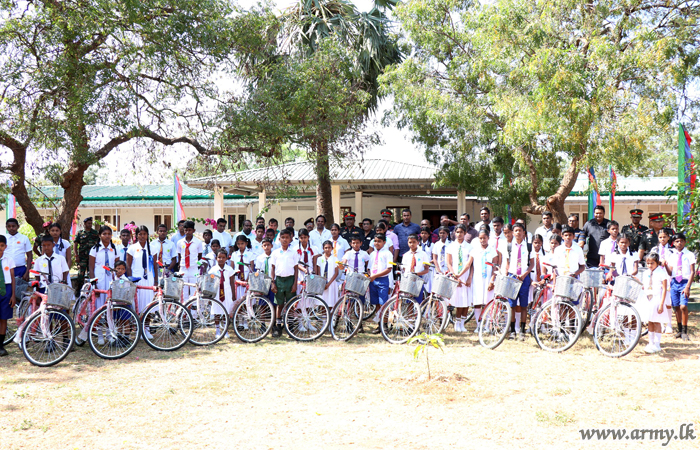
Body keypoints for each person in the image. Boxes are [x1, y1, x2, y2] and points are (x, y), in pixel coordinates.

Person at [504, 223, 535, 340]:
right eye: (515, 230)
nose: (518, 233)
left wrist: (524, 274)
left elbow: (532, 264)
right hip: (512, 277)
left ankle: (522, 330)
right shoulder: (509, 246)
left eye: (520, 230)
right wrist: (508, 274)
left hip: (524, 277)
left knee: (523, 305)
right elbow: (507, 263)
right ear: (512, 232)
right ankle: (512, 330)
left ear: (524, 233)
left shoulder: (528, 247)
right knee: (512, 305)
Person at [270, 229, 300, 338]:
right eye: (283, 238)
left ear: (291, 239)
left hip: (290, 280)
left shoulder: (293, 252)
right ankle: (278, 326)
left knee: (291, 304)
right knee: (279, 304)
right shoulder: (275, 252)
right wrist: (273, 282)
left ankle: (290, 326)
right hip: (279, 280)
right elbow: (272, 268)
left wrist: (295, 283)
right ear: (279, 239)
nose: (285, 240)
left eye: (287, 237)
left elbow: (296, 269)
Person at [666, 233, 695, 341]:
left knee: (683, 306)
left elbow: (692, 272)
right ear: (673, 243)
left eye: (681, 241)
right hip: (674, 282)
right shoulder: (672, 255)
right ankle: (679, 330)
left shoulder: (689, 254)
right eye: (677, 241)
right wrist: (665, 265)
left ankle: (685, 330)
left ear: (685, 242)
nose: (679, 243)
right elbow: (670, 272)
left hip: (684, 282)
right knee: (676, 307)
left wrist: (688, 286)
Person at [467, 228, 498, 331]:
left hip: (488, 280)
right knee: (477, 302)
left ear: (488, 238)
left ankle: (487, 325)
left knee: (488, 303)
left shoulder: (492, 251)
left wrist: (492, 280)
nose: (482, 240)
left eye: (484, 238)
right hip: (477, 280)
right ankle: (479, 325)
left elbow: (495, 268)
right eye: (480, 238)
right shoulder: (474, 251)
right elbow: (469, 265)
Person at [126, 226, 156, 331]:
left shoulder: (152, 247)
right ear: (136, 235)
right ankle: (139, 328)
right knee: (138, 304)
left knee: (148, 304)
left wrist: (156, 280)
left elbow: (155, 265)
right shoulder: (132, 248)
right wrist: (131, 279)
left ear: (147, 235)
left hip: (149, 280)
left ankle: (146, 328)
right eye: (140, 234)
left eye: (144, 234)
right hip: (137, 279)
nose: (142, 236)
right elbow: (128, 265)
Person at [639, 252, 670, 353]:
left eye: (652, 263)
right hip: (648, 299)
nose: (649, 265)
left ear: (657, 262)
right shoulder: (646, 272)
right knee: (650, 321)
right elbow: (644, 285)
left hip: (657, 299)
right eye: (648, 263)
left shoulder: (661, 273)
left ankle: (657, 344)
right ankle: (650, 342)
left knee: (657, 321)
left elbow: (664, 289)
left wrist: (661, 304)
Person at [446, 224, 473, 332]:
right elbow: (449, 263)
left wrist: (466, 277)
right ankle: (457, 323)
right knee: (458, 300)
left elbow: (469, 264)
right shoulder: (451, 247)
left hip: (465, 276)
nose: (459, 234)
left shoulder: (469, 247)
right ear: (454, 233)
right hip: (455, 276)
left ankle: (462, 323)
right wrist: (454, 276)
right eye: (457, 232)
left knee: (466, 301)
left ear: (465, 233)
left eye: (461, 232)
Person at [88, 225, 117, 311]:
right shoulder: (94, 249)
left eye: (109, 234)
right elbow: (91, 267)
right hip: (99, 279)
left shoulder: (115, 249)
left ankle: (109, 322)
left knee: (110, 301)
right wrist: (94, 283)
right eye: (104, 234)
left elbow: (117, 266)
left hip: (111, 279)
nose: (107, 236)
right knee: (99, 303)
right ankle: (98, 322)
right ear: (100, 235)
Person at [210, 250, 235, 339]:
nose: (221, 259)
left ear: (227, 258)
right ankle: (217, 330)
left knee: (226, 312)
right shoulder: (213, 270)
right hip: (216, 293)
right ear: (216, 258)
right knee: (217, 311)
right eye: (219, 257)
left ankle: (225, 330)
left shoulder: (229, 269)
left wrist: (233, 294)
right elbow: (210, 282)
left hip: (227, 293)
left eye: (223, 257)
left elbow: (232, 282)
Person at [177, 221, 203, 300]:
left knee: (194, 291)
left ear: (193, 230)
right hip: (183, 268)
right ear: (183, 230)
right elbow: (179, 255)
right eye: (186, 230)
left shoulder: (198, 242)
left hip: (193, 268)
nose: (188, 232)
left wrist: (193, 263)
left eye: (189, 230)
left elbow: (199, 255)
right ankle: (184, 310)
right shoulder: (180, 242)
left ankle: (193, 312)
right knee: (183, 290)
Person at [400, 234, 430, 304]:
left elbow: (426, 269)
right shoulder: (406, 255)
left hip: (418, 278)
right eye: (410, 242)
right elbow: (403, 268)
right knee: (408, 300)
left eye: (414, 242)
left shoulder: (423, 254)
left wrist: (416, 274)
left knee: (418, 300)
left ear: (418, 242)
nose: (412, 244)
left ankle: (417, 314)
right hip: (408, 279)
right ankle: (410, 315)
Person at [0, 235, 17, 356]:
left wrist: (13, 295)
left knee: (3, 318)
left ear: (5, 246)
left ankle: (0, 346)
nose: (0, 248)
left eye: (2, 246)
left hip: (6, 290)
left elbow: (12, 278)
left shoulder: (9, 259)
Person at [74, 217, 100, 294]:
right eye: (88, 223)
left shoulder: (95, 233)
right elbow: (75, 244)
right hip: (82, 257)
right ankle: (78, 290)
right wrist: (76, 255)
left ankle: (90, 290)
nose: (90, 225)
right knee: (80, 275)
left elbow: (98, 244)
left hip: (92, 257)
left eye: (91, 223)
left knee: (91, 274)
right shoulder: (80, 233)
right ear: (85, 224)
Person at [4, 218, 32, 282]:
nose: (11, 228)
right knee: (7, 290)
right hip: (6, 268)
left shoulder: (24, 238)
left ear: (18, 226)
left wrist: (27, 272)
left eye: (13, 226)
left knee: (21, 290)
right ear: (6, 227)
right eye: (9, 226)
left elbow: (29, 255)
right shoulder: (3, 238)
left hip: (21, 269)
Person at [294, 229, 320, 295]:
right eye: (301, 238)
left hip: (310, 273)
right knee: (300, 294)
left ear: (308, 237)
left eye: (305, 237)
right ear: (299, 238)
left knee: (310, 294)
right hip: (300, 274)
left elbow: (314, 263)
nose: (303, 240)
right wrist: (304, 269)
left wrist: (315, 275)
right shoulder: (295, 249)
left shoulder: (314, 248)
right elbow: (296, 263)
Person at [316, 241, 340, 308]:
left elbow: (336, 273)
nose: (327, 249)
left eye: (329, 248)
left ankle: (330, 317)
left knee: (331, 302)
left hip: (331, 282)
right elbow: (319, 272)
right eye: (325, 248)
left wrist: (328, 284)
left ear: (332, 248)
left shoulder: (335, 259)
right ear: (323, 248)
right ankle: (324, 317)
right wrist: (322, 282)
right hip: (322, 282)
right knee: (322, 301)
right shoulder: (319, 259)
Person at [231, 235, 254, 303]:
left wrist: (246, 281)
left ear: (246, 243)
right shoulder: (234, 254)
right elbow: (232, 268)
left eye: (242, 243)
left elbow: (251, 269)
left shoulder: (250, 254)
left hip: (247, 279)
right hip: (237, 280)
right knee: (238, 301)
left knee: (247, 301)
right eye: (238, 244)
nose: (240, 245)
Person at [254, 238, 275, 305]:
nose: (266, 247)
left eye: (268, 245)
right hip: (263, 282)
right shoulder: (260, 258)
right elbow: (258, 270)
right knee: (262, 302)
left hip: (273, 281)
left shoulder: (275, 257)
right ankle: (263, 315)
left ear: (272, 246)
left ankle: (274, 315)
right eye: (264, 245)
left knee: (273, 301)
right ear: (262, 246)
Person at [418, 226, 434, 293]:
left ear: (429, 234)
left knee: (429, 286)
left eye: (425, 233)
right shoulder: (418, 244)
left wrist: (428, 263)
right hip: (420, 267)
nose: (424, 235)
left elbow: (433, 258)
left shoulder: (432, 245)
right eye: (422, 233)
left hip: (429, 267)